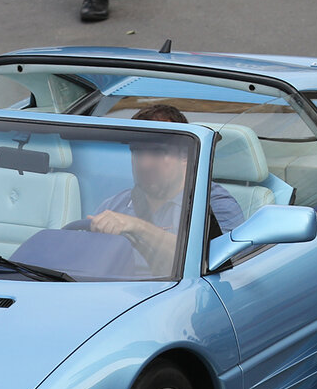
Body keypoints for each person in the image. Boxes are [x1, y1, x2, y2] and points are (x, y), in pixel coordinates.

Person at [87, 104, 246, 274]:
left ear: (186, 155)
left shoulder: (214, 206)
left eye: (157, 152)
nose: (144, 164)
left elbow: (216, 267)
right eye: (137, 152)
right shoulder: (114, 206)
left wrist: (137, 227)